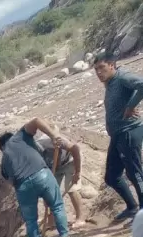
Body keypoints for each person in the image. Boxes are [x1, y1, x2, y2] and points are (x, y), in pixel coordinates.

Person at [0, 117, 73, 237]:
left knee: (31, 220)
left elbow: (9, 182)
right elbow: (36, 120)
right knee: (57, 206)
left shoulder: (4, 161)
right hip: (41, 174)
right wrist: (54, 135)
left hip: (22, 186)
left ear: (2, 147)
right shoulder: (19, 137)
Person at [93, 52, 143, 223]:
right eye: (96, 69)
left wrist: (131, 106)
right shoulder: (110, 83)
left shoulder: (122, 77)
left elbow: (142, 84)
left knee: (135, 173)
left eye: (102, 67)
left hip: (129, 131)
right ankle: (132, 207)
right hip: (117, 135)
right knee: (112, 176)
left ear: (112, 65)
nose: (99, 72)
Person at [35, 132, 86, 228]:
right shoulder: (34, 156)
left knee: (71, 189)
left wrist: (77, 172)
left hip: (71, 160)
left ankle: (80, 218)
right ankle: (51, 220)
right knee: (49, 191)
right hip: (55, 165)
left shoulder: (49, 141)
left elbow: (75, 149)